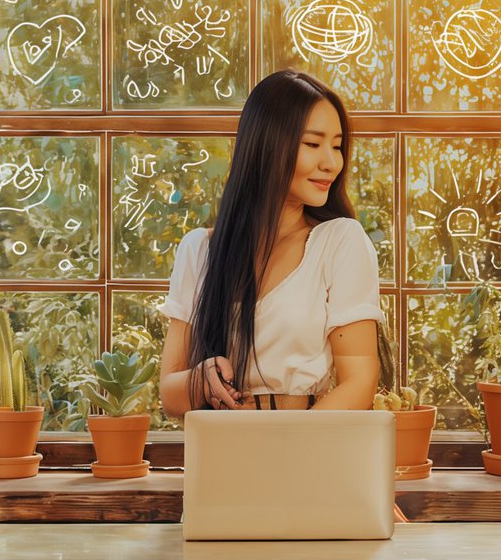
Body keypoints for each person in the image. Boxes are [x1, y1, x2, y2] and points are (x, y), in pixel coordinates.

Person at [159, 69, 382, 416]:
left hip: (307, 454)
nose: (331, 162)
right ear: (266, 145)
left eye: (337, 146)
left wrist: (286, 445)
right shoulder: (199, 251)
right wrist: (202, 379)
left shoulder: (339, 241)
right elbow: (170, 398)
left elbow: (360, 382)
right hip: (224, 455)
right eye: (313, 144)